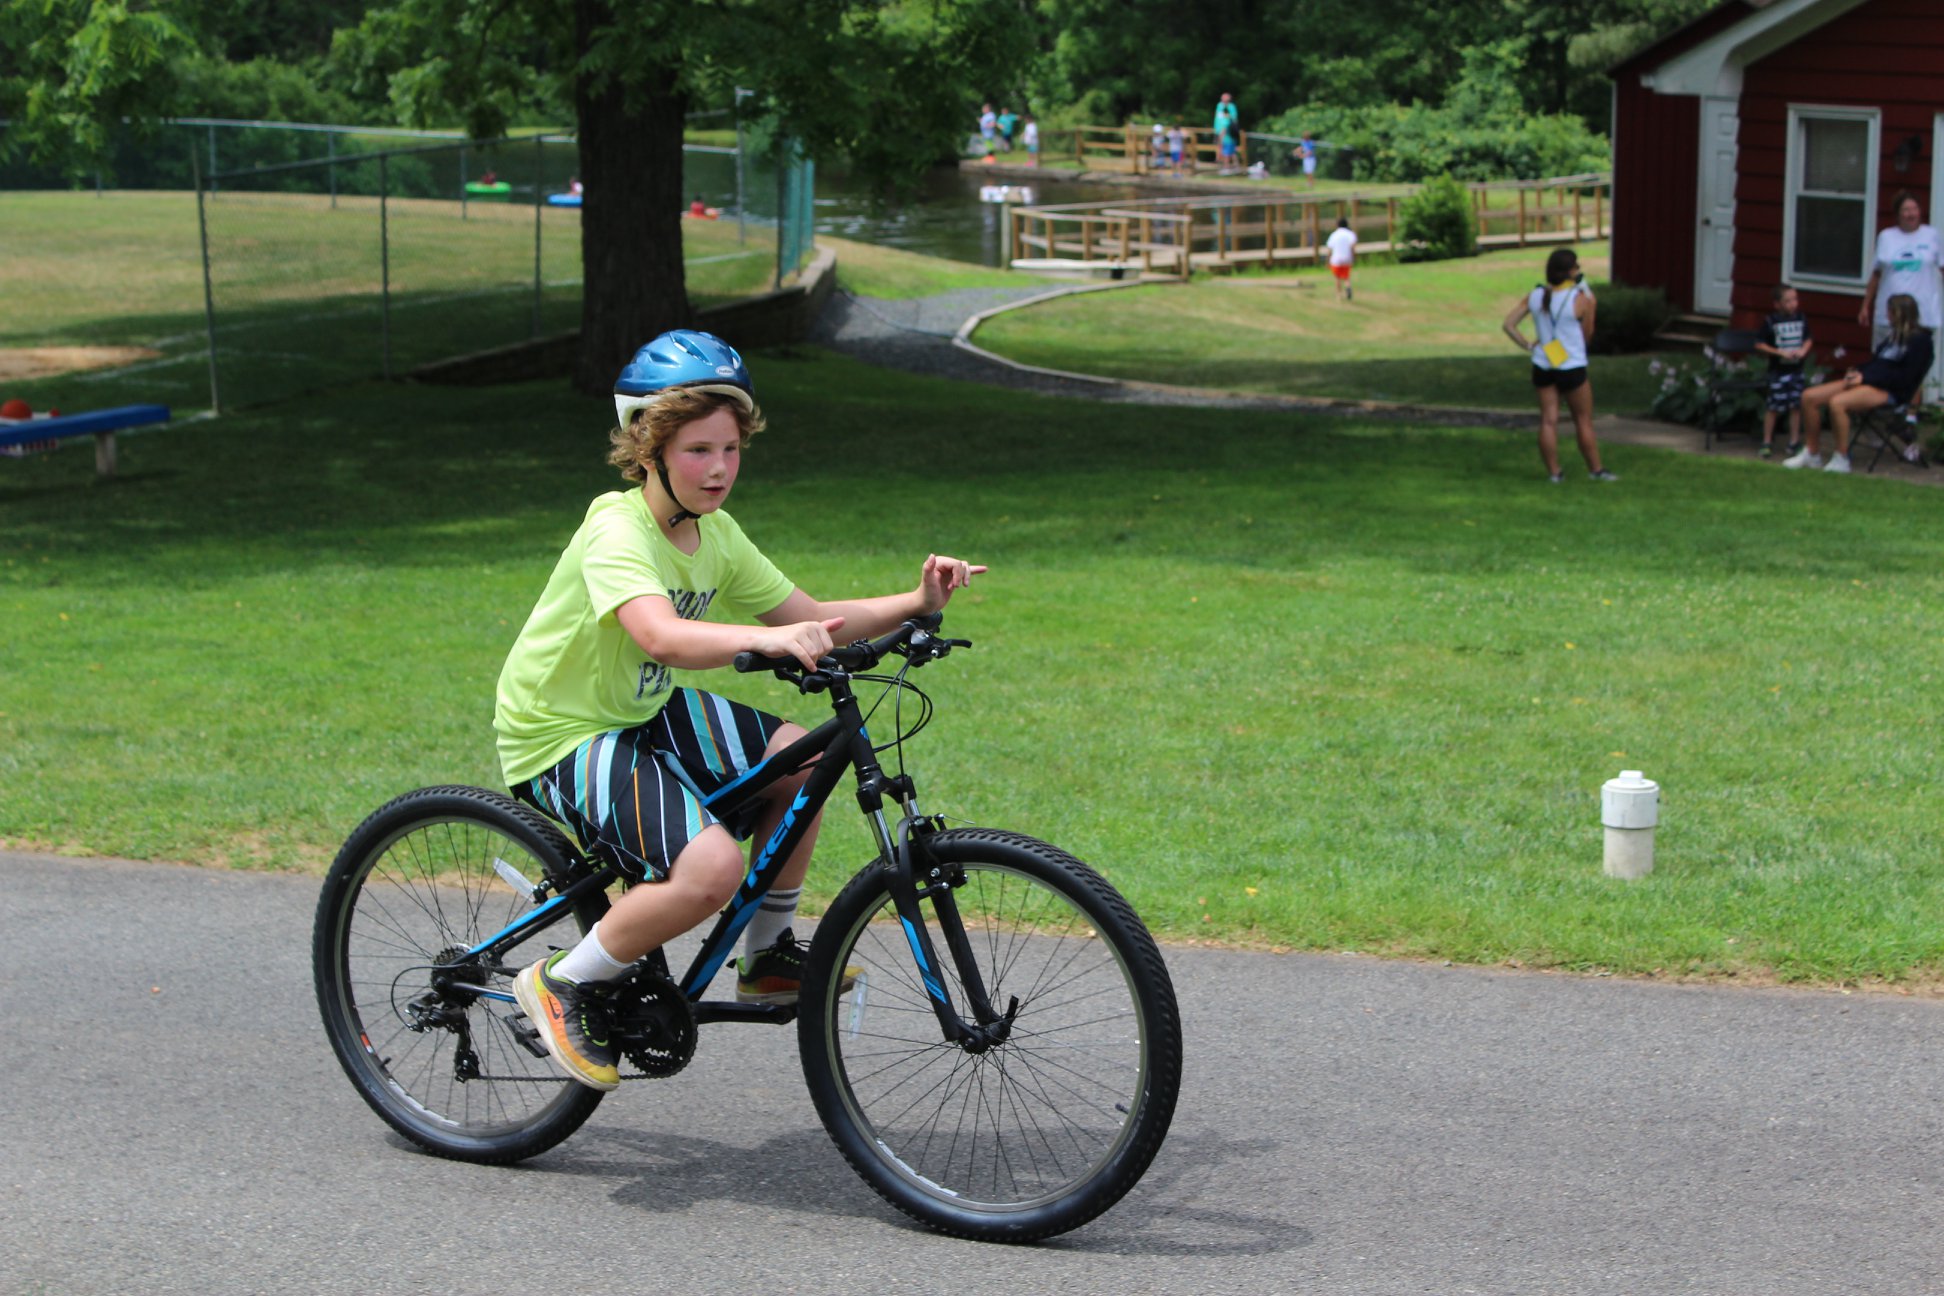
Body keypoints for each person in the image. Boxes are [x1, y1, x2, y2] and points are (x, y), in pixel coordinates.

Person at [497, 330, 985, 1090]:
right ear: (648, 447)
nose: (719, 468)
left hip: (640, 707)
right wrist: (768, 641)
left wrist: (916, 602)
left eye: (730, 448)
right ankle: (564, 983)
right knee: (711, 868)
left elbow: (812, 614)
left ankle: (767, 956)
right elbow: (659, 635)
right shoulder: (616, 529)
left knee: (809, 760)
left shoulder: (714, 533)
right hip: (561, 729)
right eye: (697, 450)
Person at [1784, 293, 1934, 473]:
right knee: (1809, 397)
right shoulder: (1893, 337)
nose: (1887, 316)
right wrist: (1858, 371)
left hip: (1892, 391)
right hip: (1870, 381)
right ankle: (1812, 453)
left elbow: (1904, 377)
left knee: (1838, 403)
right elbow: (1878, 363)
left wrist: (1866, 378)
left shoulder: (1920, 342)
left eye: (1889, 312)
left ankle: (1842, 458)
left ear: (1898, 314)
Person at [1501, 247, 1614, 483]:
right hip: (1571, 365)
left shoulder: (1536, 295)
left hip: (1543, 363)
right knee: (1582, 419)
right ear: (1570, 271)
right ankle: (1596, 470)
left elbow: (1509, 324)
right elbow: (1588, 334)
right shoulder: (1580, 298)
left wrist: (1528, 345)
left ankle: (1554, 473)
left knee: (1548, 420)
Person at [1858, 192, 1941, 353]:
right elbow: (1876, 274)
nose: (1911, 214)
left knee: (1918, 362)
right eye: (1906, 209)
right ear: (1898, 214)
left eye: (1914, 209)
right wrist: (1865, 306)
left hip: (1923, 313)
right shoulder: (1886, 237)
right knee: (1885, 359)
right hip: (1890, 313)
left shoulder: (1932, 236)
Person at [1754, 283, 1812, 459]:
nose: (1793, 304)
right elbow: (1759, 344)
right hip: (1778, 371)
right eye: (1787, 301)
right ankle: (1767, 441)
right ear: (1777, 304)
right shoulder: (1771, 321)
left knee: (1795, 406)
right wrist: (1779, 352)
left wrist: (1803, 351)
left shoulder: (1801, 318)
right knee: (1773, 407)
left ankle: (1793, 441)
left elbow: (1808, 339)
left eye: (1795, 299)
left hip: (1796, 370)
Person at [1324, 216, 1357, 302]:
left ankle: (1339, 295)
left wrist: (1327, 260)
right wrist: (1353, 257)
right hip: (1347, 258)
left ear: (1337, 225)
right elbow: (1353, 246)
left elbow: (1330, 249)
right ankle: (1348, 287)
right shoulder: (1350, 233)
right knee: (1346, 276)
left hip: (1336, 259)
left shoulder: (1334, 235)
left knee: (1337, 277)